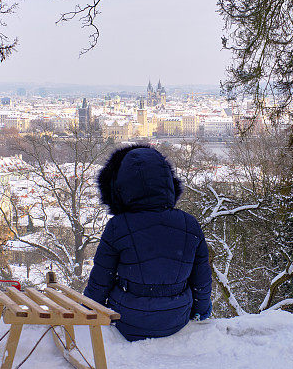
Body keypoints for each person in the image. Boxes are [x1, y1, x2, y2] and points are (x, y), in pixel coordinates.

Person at [84, 145, 212, 341]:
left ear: (120, 187)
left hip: (127, 319)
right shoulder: (189, 224)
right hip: (176, 319)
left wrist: (88, 311)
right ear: (168, 183)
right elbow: (201, 280)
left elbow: (101, 280)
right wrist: (201, 312)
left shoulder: (118, 226)